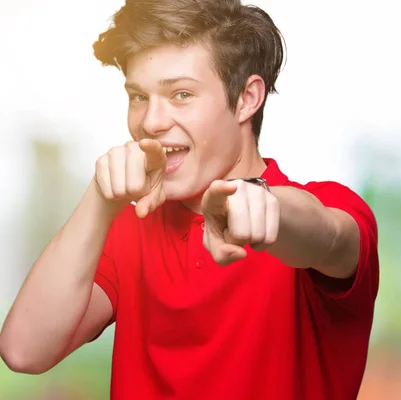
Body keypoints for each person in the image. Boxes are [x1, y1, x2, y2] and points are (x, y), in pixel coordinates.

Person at [0, 0, 380, 399]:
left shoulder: (325, 207)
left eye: (181, 94)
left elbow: (328, 234)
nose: (150, 122)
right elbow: (24, 351)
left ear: (248, 98)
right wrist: (100, 198)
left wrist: (262, 204)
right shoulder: (132, 227)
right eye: (138, 96)